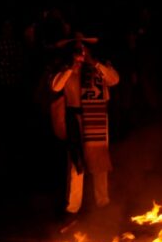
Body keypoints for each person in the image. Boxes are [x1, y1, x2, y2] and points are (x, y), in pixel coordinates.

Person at [49, 34, 120, 216]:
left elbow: (114, 80)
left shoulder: (99, 65)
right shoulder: (65, 67)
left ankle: (103, 202)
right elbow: (56, 87)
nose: (80, 51)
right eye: (77, 48)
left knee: (99, 160)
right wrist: (71, 68)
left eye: (83, 47)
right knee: (76, 163)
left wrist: (94, 63)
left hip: (96, 118)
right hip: (76, 118)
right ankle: (73, 207)